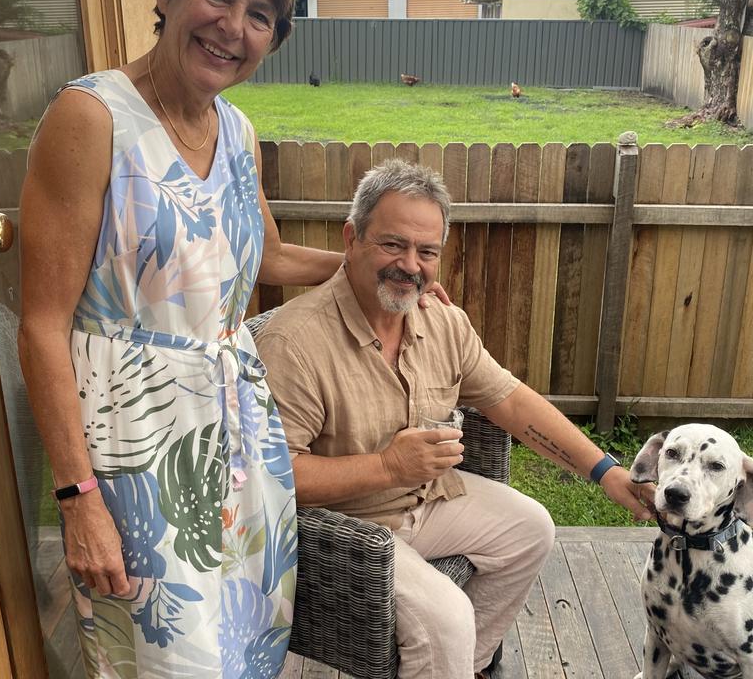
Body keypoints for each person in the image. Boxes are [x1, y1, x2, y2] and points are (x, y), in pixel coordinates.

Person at [17, 0, 348, 676]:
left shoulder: (237, 130)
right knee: (169, 660)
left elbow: (259, 253)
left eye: (259, 15)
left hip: (237, 446)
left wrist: (365, 268)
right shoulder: (92, 118)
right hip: (135, 452)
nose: (233, 27)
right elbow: (41, 326)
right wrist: (78, 497)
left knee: (244, 648)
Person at [256, 159, 657, 679]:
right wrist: (388, 467)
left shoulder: (442, 322)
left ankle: (459, 669)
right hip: (344, 528)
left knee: (532, 528)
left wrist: (606, 472)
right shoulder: (292, 343)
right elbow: (271, 481)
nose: (411, 266)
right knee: (449, 615)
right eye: (392, 245)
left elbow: (510, 401)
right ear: (351, 238)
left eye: (427, 252)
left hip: (427, 502)